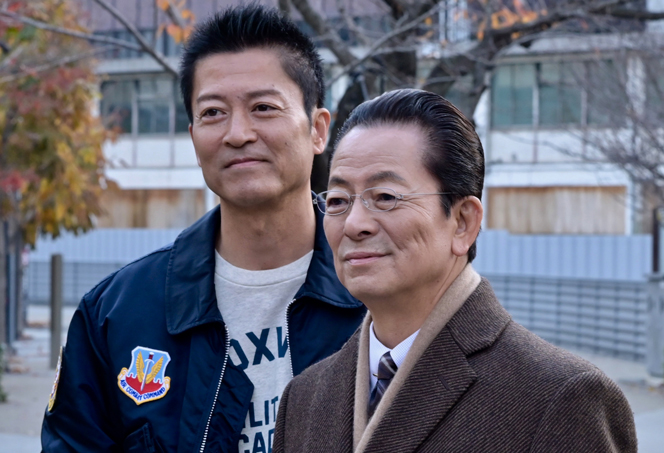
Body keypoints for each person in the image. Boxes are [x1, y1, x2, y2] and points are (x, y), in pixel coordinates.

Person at [41, 5, 365, 452]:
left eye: (263, 108)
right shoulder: (116, 315)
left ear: (318, 129)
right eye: (213, 112)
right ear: (194, 137)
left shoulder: (378, 291)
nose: (238, 133)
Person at [273, 89, 637, 453]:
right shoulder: (304, 398)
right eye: (338, 201)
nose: (354, 224)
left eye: (385, 197)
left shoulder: (560, 397)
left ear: (463, 222)